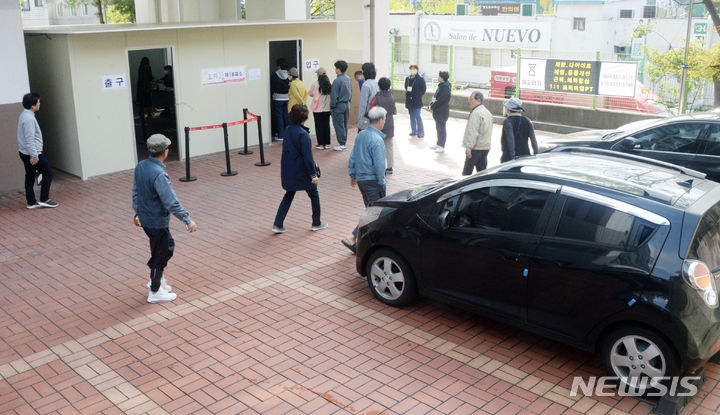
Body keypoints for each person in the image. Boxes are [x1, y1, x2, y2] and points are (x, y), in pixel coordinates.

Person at [132, 134, 198, 303]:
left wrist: (137, 212)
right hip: (156, 220)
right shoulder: (159, 174)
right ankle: (155, 290)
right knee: (162, 252)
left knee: (162, 248)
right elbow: (171, 202)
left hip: (146, 219)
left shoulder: (141, 166)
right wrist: (187, 219)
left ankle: (157, 280)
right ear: (165, 152)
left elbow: (135, 192)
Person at [272, 104, 328, 234]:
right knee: (314, 194)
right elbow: (308, 158)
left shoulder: (287, 130)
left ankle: (277, 224)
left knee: (289, 194)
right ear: (305, 117)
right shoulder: (303, 134)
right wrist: (313, 175)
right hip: (302, 171)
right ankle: (316, 222)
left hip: (288, 169)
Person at [342, 106, 388, 254]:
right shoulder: (377, 140)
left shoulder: (361, 135)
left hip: (362, 180)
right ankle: (354, 237)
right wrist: (382, 182)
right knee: (375, 213)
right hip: (373, 181)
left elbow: (353, 156)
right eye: (385, 119)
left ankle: (359, 241)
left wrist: (353, 174)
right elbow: (380, 166)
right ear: (380, 120)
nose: (385, 122)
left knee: (371, 211)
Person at [17, 93, 58, 209]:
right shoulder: (29, 119)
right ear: (32, 105)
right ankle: (44, 199)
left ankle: (31, 202)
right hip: (32, 153)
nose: (40, 104)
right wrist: (34, 156)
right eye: (38, 102)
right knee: (48, 173)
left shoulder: (25, 114)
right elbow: (29, 139)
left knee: (30, 176)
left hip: (25, 152)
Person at [462, 91, 494, 176]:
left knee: (466, 175)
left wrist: (469, 147)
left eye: (471, 99)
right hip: (485, 147)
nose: (469, 101)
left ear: (478, 100)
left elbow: (473, 132)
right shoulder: (487, 112)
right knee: (482, 174)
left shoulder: (476, 113)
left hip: (476, 148)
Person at [500, 97, 538, 163]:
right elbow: (533, 140)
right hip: (525, 156)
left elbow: (510, 140)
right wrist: (536, 154)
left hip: (509, 157)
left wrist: (512, 158)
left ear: (509, 109)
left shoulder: (508, 121)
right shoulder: (527, 120)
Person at [374, 77, 397, 174]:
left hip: (379, 124)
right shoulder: (391, 97)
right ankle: (390, 167)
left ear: (379, 86)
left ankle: (380, 168)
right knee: (389, 147)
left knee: (379, 147)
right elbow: (394, 111)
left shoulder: (377, 97)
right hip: (389, 124)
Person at [330, 60, 352, 151]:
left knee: (338, 125)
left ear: (338, 69)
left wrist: (332, 106)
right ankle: (344, 143)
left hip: (338, 105)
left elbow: (334, 95)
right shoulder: (348, 79)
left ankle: (342, 144)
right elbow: (351, 92)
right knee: (345, 124)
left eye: (336, 68)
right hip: (347, 104)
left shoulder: (337, 81)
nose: (335, 70)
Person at [309, 67, 332, 149]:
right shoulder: (329, 84)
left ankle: (321, 144)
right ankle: (327, 144)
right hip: (327, 109)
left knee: (319, 126)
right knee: (326, 125)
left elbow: (310, 93)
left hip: (317, 109)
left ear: (318, 75)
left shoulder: (315, 84)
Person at [430, 71, 451, 153]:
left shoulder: (445, 87)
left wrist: (433, 106)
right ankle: (438, 144)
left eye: (439, 76)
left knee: (441, 128)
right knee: (438, 128)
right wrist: (431, 105)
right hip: (438, 111)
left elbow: (440, 100)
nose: (438, 78)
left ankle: (441, 146)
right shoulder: (442, 85)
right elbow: (435, 98)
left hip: (442, 112)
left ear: (442, 78)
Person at [270, 58, 291, 141]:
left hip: (277, 98)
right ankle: (288, 134)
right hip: (287, 98)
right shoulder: (289, 75)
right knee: (287, 116)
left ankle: (281, 135)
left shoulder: (274, 75)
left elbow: (272, 86)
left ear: (278, 66)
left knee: (279, 117)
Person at [405, 64, 426, 138]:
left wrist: (418, 95)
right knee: (411, 116)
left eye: (414, 69)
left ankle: (421, 132)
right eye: (411, 69)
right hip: (409, 99)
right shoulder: (407, 78)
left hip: (417, 100)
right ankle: (414, 131)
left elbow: (423, 89)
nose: (412, 70)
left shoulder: (420, 79)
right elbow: (406, 87)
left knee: (417, 116)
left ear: (417, 70)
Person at [357, 62, 379, 132]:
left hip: (367, 115)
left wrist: (360, 118)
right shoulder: (377, 83)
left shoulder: (365, 85)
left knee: (362, 136)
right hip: (376, 113)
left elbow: (363, 104)